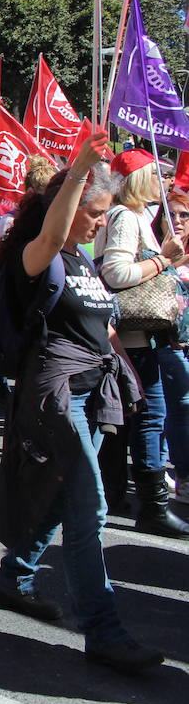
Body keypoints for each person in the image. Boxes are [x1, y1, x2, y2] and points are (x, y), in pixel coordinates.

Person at [0, 131, 166, 675]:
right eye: (93, 213)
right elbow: (56, 226)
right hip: (55, 398)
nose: (98, 223)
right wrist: (83, 169)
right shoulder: (36, 255)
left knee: (67, 496)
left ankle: (16, 575)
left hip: (92, 394)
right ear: (67, 212)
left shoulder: (84, 264)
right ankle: (104, 631)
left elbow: (103, 325)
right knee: (93, 506)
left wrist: (128, 376)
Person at [92, 149, 189, 538]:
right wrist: (164, 261)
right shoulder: (126, 217)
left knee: (134, 418)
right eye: (156, 173)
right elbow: (115, 274)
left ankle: (118, 494)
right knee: (151, 416)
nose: (163, 180)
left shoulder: (135, 217)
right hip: (131, 337)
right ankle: (152, 506)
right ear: (139, 179)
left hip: (138, 337)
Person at [154, 187, 189, 504]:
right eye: (170, 213)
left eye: (184, 215)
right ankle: (181, 474)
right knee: (178, 408)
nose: (177, 220)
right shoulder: (156, 251)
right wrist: (167, 261)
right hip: (169, 343)